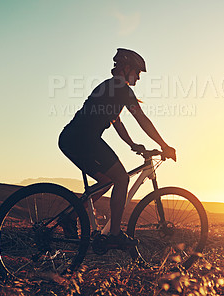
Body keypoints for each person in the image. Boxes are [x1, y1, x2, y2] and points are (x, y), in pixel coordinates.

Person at [58, 48, 176, 248]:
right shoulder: (121, 89)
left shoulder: (110, 87)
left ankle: (69, 217)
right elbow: (141, 119)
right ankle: (114, 235)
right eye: (137, 72)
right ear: (127, 68)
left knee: (107, 181)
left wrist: (132, 145)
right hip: (84, 140)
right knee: (121, 178)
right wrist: (164, 145)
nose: (138, 78)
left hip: (72, 138)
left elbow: (116, 122)